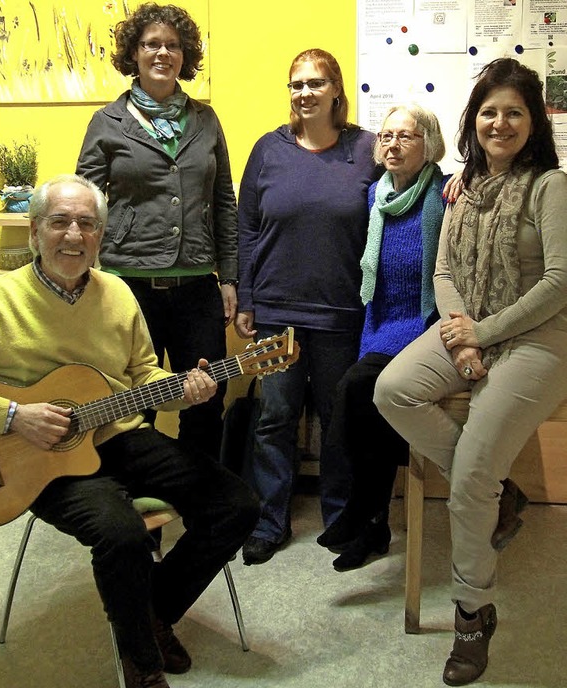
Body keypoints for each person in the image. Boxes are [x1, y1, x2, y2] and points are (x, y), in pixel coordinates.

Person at [0, 175, 259, 688]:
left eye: (87, 224)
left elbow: (143, 376)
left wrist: (184, 388)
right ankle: (143, 668)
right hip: (36, 456)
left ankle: (150, 614)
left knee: (237, 503)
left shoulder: (117, 293)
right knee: (123, 534)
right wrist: (14, 418)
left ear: (101, 235)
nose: (74, 235)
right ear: (35, 231)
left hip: (119, 434)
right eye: (60, 221)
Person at [374, 58, 567, 685]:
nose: (500, 123)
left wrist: (482, 334)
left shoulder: (550, 188)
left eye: (514, 112)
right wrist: (461, 341)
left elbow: (561, 282)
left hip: (538, 339)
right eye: (489, 112)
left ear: (533, 120)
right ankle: (495, 491)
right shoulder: (464, 185)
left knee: (469, 478)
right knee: (393, 390)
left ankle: (471, 612)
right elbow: (446, 272)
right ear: (473, 120)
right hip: (471, 328)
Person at [236, 48, 381, 565]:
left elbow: (409, 181)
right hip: (276, 312)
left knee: (338, 420)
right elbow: (247, 228)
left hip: (342, 314)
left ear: (336, 90)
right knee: (274, 418)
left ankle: (341, 521)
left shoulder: (365, 149)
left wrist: (449, 182)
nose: (305, 92)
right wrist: (247, 297)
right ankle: (270, 521)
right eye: (297, 84)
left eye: (317, 83)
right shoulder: (267, 150)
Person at [76, 2, 238, 459]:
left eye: (172, 45)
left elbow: (224, 201)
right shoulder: (108, 122)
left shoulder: (205, 120)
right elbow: (84, 205)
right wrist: (85, 276)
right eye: (151, 44)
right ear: (135, 53)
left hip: (196, 289)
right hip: (129, 287)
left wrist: (229, 276)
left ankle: (203, 508)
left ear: (184, 55)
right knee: (132, 406)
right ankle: (137, 519)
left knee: (205, 399)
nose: (162, 53)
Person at [316, 104, 447, 572]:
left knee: (353, 390)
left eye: (405, 136)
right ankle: (375, 527)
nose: (392, 144)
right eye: (386, 136)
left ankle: (362, 509)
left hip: (423, 327)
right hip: (379, 324)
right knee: (367, 410)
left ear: (428, 144)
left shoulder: (446, 194)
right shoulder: (376, 195)